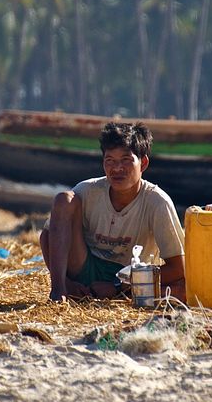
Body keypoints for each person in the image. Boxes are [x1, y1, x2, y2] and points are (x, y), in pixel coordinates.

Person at [39, 121, 185, 302]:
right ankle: (59, 293)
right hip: (86, 268)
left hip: (133, 276)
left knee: (185, 289)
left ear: (144, 163)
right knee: (63, 199)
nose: (117, 169)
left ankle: (123, 294)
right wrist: (65, 283)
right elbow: (47, 237)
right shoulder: (88, 191)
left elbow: (178, 267)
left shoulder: (157, 202)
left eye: (126, 160)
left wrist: (119, 286)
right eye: (110, 161)